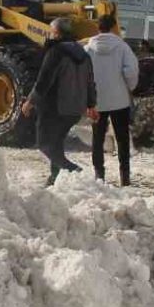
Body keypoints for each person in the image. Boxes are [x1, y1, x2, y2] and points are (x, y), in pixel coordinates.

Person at [20, 16, 95, 187]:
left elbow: (44, 80)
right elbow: (90, 82)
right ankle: (55, 178)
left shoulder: (55, 52)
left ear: (56, 33)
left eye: (51, 31)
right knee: (56, 142)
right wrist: (91, 104)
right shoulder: (84, 54)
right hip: (75, 108)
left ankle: (74, 171)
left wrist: (30, 101)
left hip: (55, 107)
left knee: (44, 143)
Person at [83, 14, 139, 186]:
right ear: (114, 27)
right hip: (119, 100)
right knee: (122, 139)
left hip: (97, 101)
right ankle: (125, 177)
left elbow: (83, 73)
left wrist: (87, 97)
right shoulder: (122, 47)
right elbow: (131, 71)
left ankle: (99, 174)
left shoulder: (88, 48)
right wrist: (129, 87)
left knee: (97, 138)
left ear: (97, 27)